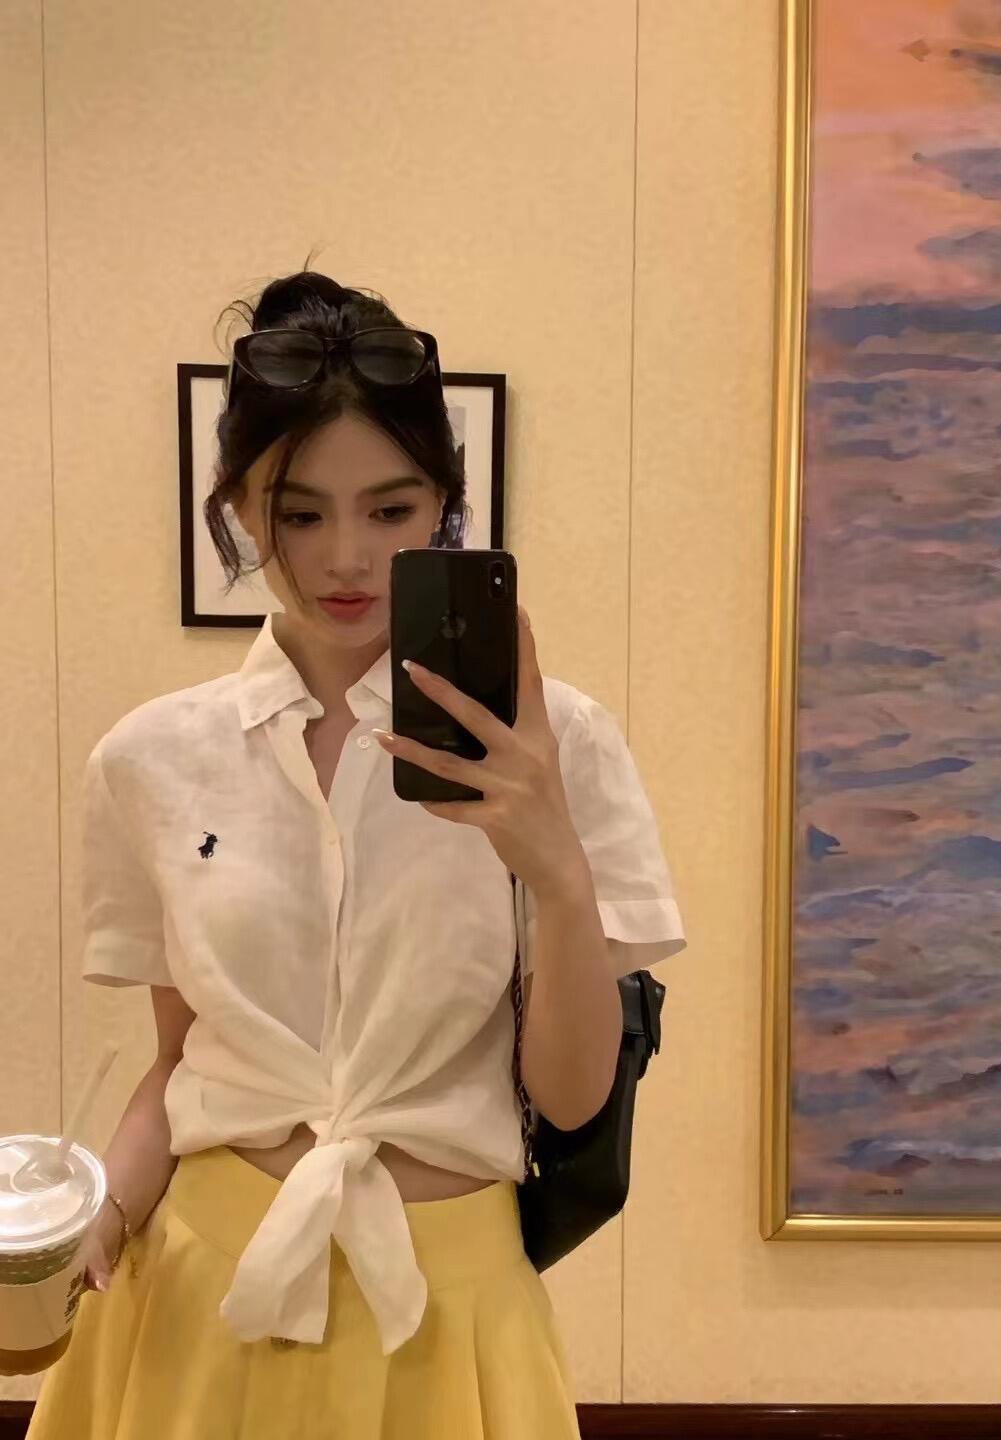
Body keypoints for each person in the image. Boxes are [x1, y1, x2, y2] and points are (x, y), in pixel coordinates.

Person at [27, 270, 686, 1439]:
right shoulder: (150, 759)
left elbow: (572, 1097)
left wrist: (555, 866)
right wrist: (94, 1222)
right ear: (240, 509)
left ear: (446, 508)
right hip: (199, 1292)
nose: (347, 557)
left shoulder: (558, 741)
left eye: (390, 510)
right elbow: (177, 1063)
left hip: (448, 1305)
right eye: (300, 513)